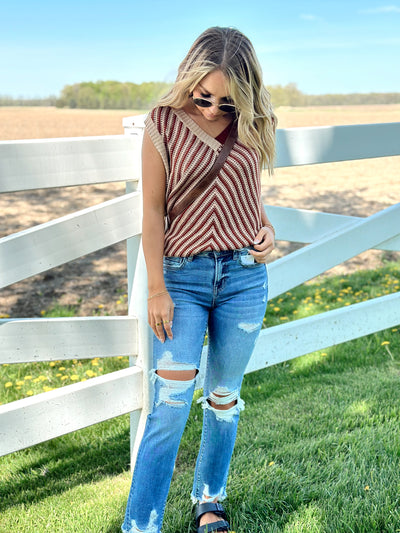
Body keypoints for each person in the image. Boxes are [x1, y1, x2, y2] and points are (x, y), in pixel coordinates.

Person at [122, 26, 276, 533]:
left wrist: (267, 230)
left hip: (244, 278)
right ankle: (141, 524)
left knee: (224, 399)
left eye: (227, 103)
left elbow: (248, 198)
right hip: (181, 280)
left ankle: (210, 501)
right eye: (203, 96)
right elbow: (151, 210)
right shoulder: (162, 123)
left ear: (247, 94)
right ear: (189, 81)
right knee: (169, 405)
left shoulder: (258, 123)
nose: (212, 110)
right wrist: (156, 289)